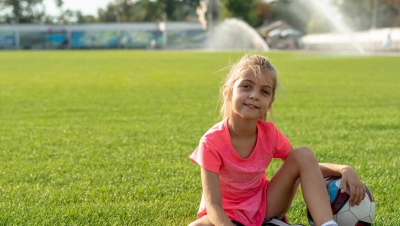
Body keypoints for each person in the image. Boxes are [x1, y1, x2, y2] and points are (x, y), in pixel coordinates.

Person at [188, 54, 366, 226]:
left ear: (270, 102)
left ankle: (327, 224)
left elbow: (305, 166)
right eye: (246, 86)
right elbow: (213, 206)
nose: (254, 95)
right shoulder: (211, 142)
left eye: (264, 91)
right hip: (224, 213)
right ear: (228, 91)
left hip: (265, 205)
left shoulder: (270, 135)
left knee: (303, 153)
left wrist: (343, 169)